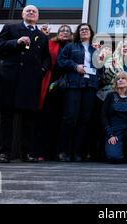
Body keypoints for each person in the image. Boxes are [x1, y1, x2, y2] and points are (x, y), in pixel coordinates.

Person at [0, 5, 50, 163]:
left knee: (29, 118)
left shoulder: (42, 36)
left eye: (34, 11)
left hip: (31, 81)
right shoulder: (11, 28)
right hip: (12, 77)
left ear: (37, 16)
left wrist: (42, 71)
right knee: (7, 117)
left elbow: (46, 58)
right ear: (22, 14)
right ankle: (4, 152)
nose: (31, 12)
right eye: (28, 11)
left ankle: (27, 153)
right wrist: (15, 42)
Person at [56, 23, 101, 162]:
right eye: (81, 30)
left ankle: (77, 152)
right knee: (70, 118)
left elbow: (101, 70)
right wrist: (75, 66)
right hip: (74, 85)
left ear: (91, 33)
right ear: (78, 33)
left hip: (90, 86)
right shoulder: (71, 46)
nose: (84, 31)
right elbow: (60, 61)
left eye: (86, 29)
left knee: (85, 120)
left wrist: (100, 62)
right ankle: (64, 151)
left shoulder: (96, 50)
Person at [36, 24, 72, 161]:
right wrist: (43, 36)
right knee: (46, 119)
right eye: (62, 30)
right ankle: (42, 152)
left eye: (67, 31)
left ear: (71, 34)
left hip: (68, 87)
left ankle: (59, 152)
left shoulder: (74, 47)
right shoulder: (50, 43)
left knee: (63, 120)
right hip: (50, 85)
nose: (64, 32)